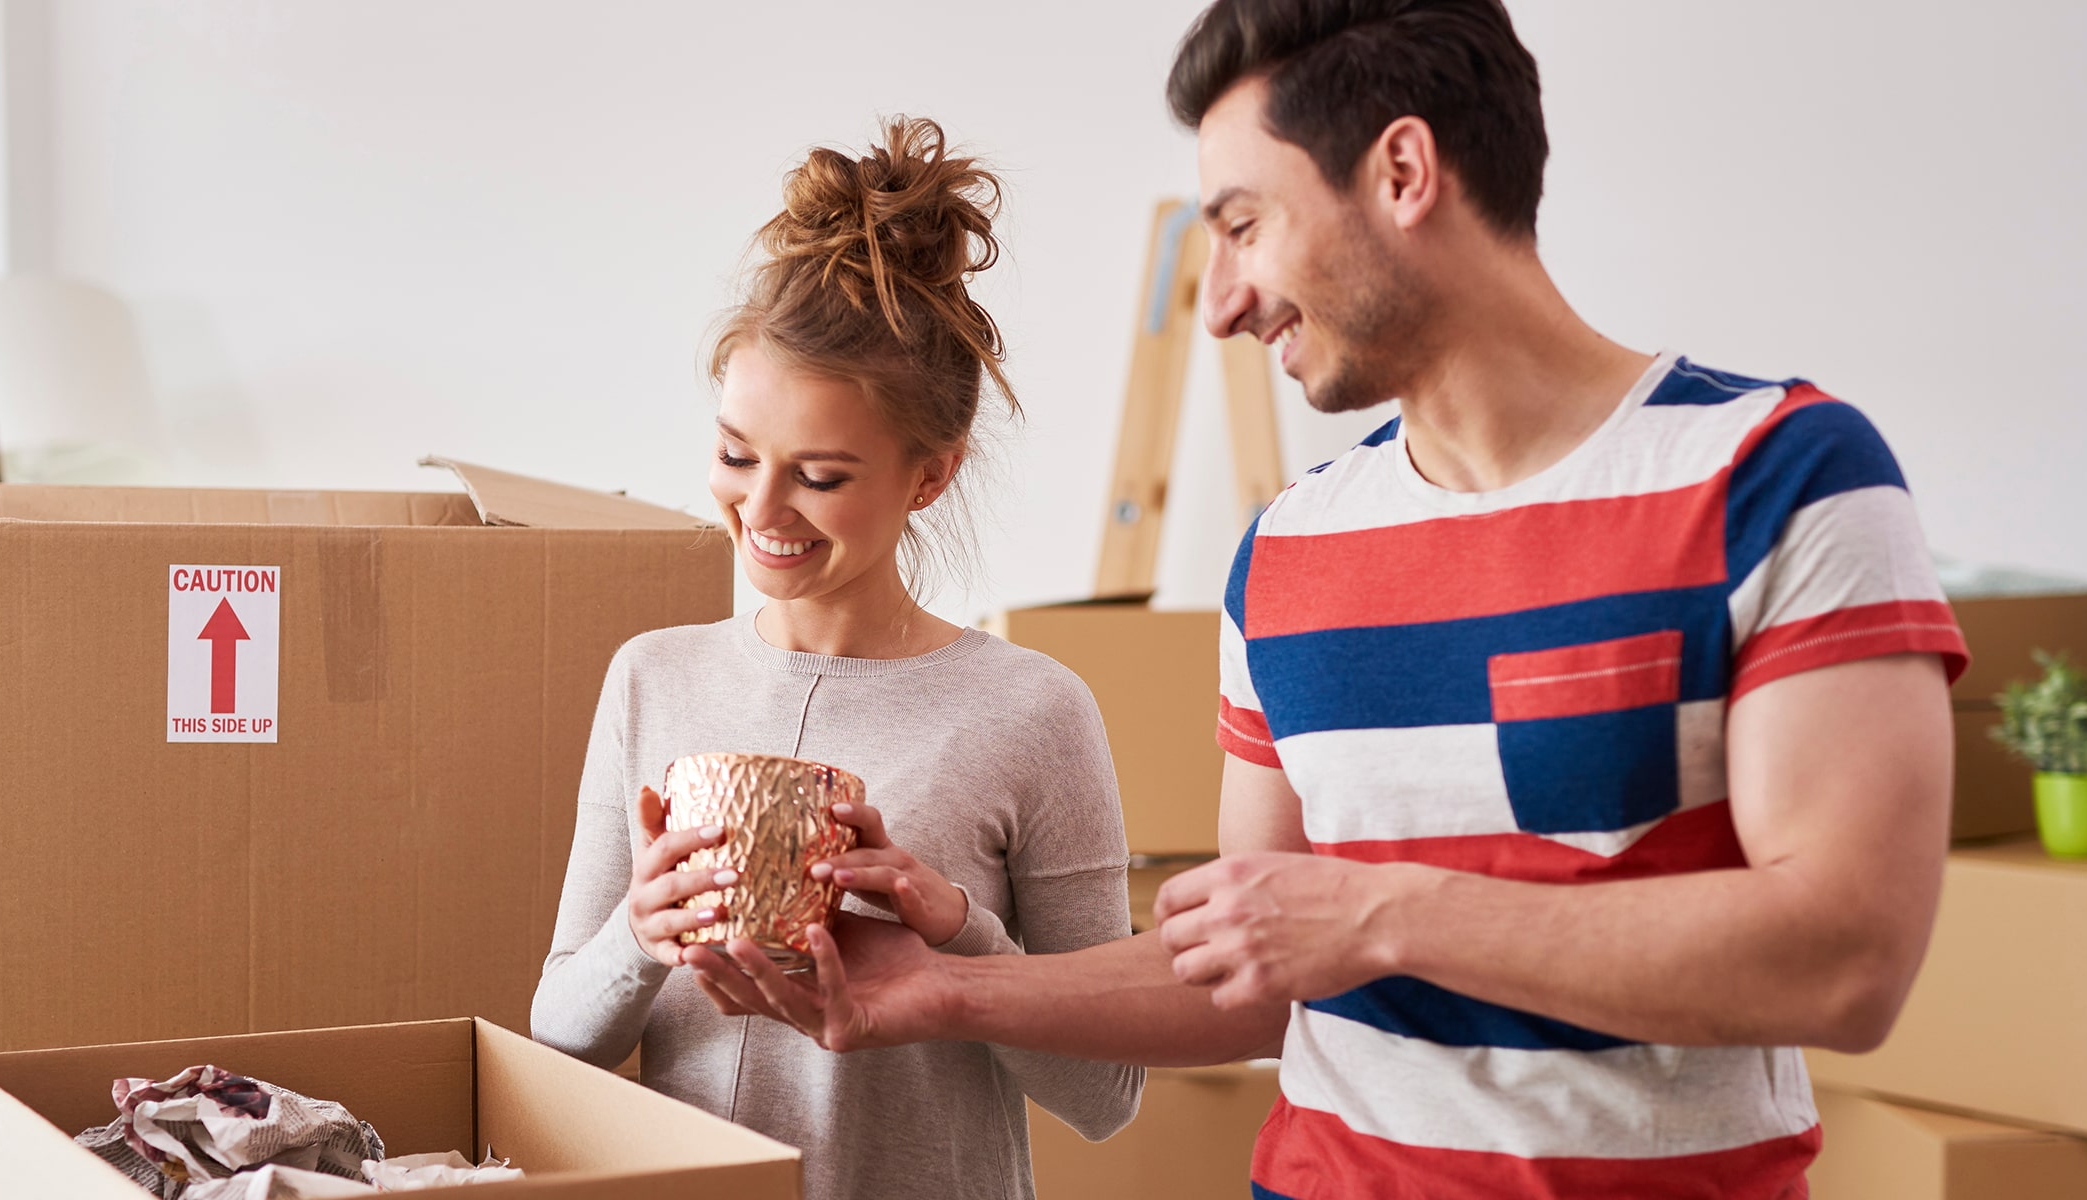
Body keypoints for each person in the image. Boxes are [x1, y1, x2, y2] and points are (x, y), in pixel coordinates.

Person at [685, 3, 1971, 1197]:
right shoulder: (1289, 551)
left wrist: (1381, 912)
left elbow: (1845, 958)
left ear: (1401, 174)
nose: (1226, 299)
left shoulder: (1782, 476)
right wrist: (938, 990)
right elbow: (1246, 982)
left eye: (1243, 225)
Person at [526, 116, 1143, 1200]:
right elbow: (556, 1042)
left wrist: (956, 936)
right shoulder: (650, 677)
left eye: (817, 476)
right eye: (733, 455)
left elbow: (1109, 1094)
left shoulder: (1032, 710)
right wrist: (640, 932)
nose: (759, 509)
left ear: (928, 478)